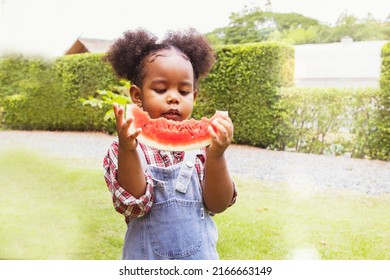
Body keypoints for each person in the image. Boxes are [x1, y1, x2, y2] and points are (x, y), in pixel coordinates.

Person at [103, 28, 237, 260]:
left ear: (194, 97)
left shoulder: (205, 148)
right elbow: (135, 205)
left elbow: (218, 203)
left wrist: (216, 156)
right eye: (161, 89)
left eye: (183, 91)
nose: (174, 97)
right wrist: (128, 149)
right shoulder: (122, 149)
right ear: (137, 95)